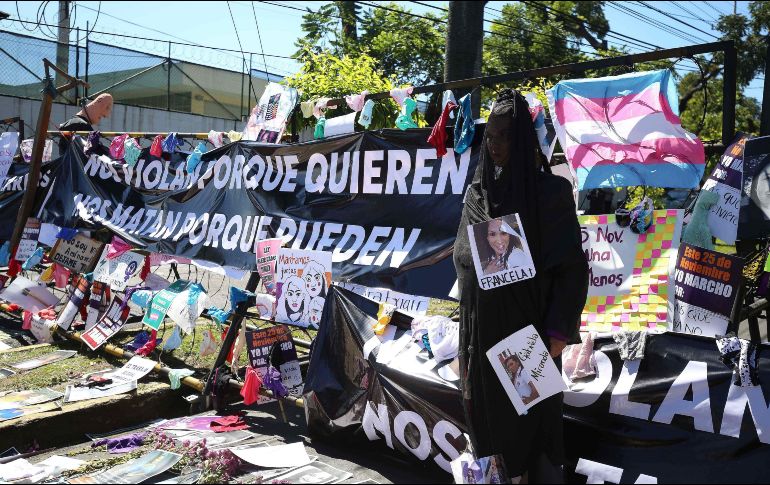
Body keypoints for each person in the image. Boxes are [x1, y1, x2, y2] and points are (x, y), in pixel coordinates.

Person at [453, 89, 588, 483]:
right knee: (488, 433)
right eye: (490, 137)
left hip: (528, 340)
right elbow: (461, 256)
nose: (495, 145)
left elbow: (572, 269)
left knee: (532, 432)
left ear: (524, 139)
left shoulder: (550, 194)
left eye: (505, 136)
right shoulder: (478, 194)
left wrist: (559, 333)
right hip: (481, 337)